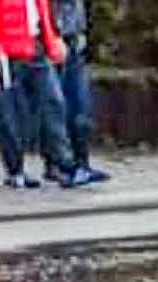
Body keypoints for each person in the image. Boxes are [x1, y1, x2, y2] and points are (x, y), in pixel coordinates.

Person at [0, 0, 81, 189]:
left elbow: (41, 10)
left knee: (53, 103)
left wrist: (50, 39)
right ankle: (16, 169)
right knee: (9, 113)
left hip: (33, 44)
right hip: (5, 50)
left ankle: (62, 164)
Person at [52, 0, 109, 184]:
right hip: (58, 36)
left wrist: (80, 30)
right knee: (61, 105)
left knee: (78, 105)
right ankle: (61, 164)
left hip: (72, 34)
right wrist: (55, 32)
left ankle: (80, 163)